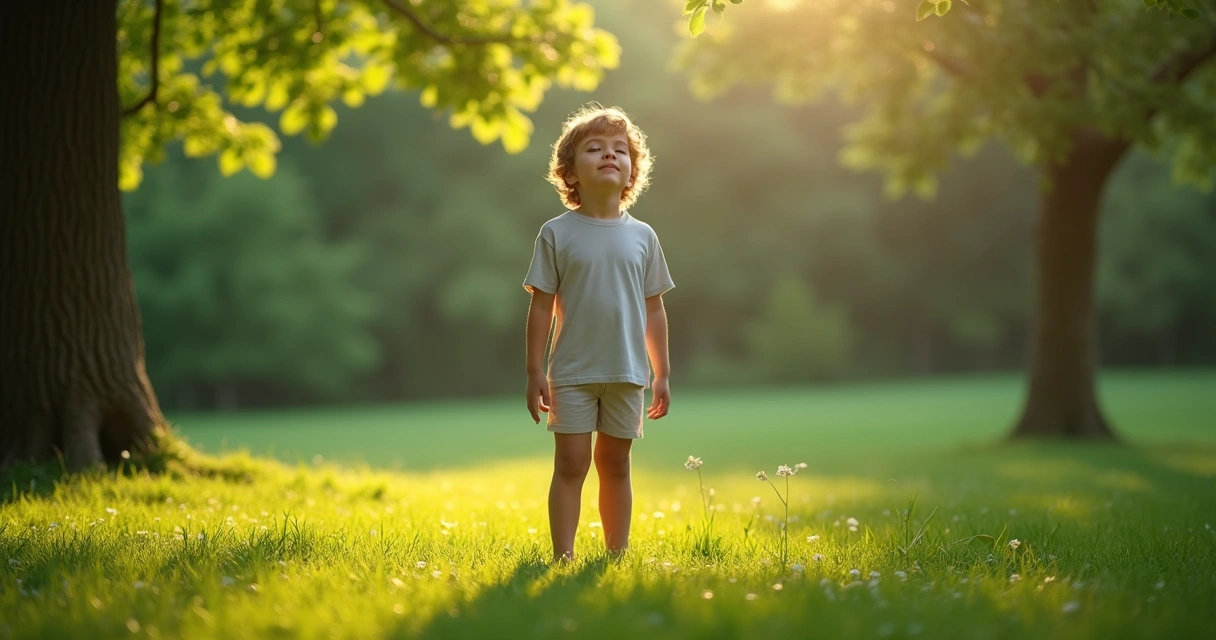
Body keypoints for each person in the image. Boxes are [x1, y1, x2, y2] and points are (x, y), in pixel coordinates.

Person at [522, 104, 674, 562]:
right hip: (571, 372)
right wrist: (534, 372)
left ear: (632, 171)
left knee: (617, 465)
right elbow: (541, 306)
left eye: (619, 151)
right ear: (570, 173)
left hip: (628, 372)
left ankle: (616, 555)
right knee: (571, 464)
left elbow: (655, 309)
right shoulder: (557, 233)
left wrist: (662, 372)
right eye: (595, 149)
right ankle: (563, 556)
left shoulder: (644, 236)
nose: (610, 156)